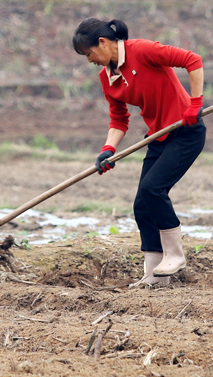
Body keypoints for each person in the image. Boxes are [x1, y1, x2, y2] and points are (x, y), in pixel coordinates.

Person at [72, 18, 206, 287]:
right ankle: (154, 275)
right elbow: (119, 120)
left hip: (185, 132)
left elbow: (193, 60)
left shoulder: (142, 50)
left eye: (89, 54)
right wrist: (108, 149)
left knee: (152, 190)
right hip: (158, 136)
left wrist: (195, 103)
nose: (90, 60)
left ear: (103, 42)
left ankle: (175, 255)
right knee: (142, 204)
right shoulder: (106, 78)